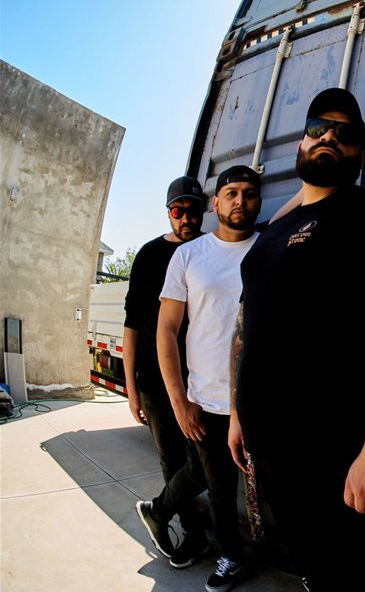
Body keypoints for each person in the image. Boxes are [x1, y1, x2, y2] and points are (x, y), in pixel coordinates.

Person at [228, 88, 365, 590]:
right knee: (316, 569)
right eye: (317, 128)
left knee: (363, 574)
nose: (328, 137)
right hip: (270, 452)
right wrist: (236, 413)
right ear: (299, 144)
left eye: (344, 133)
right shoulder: (271, 233)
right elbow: (245, 327)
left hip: (342, 458)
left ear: (361, 155)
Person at [135, 165, 262, 592]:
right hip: (205, 395)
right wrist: (179, 402)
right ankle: (231, 555)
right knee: (220, 483)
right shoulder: (188, 255)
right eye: (232, 193)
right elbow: (165, 331)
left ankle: (158, 509)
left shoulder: (269, 247)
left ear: (258, 201)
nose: (240, 201)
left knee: (206, 471)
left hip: (256, 396)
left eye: (249, 193)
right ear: (217, 203)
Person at [123, 176, 207, 567]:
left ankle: (157, 511)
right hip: (155, 381)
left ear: (204, 211)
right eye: (178, 210)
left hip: (201, 379)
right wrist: (131, 388)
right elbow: (132, 325)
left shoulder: (209, 249)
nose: (186, 218)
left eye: (193, 210)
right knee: (172, 460)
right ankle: (192, 535)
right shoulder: (150, 255)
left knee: (203, 462)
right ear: (168, 213)